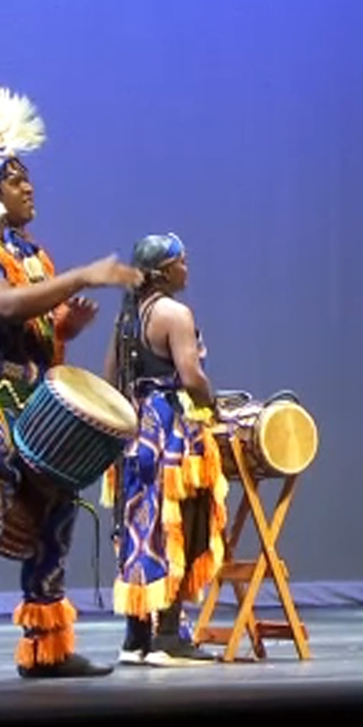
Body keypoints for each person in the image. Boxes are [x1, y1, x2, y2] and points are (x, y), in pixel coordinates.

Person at [0, 78, 143, 688]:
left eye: (27, 175)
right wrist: (83, 276)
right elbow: (4, 307)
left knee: (54, 512)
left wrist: (62, 323)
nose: (28, 185)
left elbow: (30, 321)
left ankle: (46, 647)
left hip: (28, 403)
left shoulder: (31, 254)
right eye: (14, 177)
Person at [102, 233, 226, 666]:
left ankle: (136, 637)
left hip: (132, 430)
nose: (187, 269)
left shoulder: (127, 319)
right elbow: (190, 376)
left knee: (137, 527)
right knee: (177, 523)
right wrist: (213, 406)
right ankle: (168, 635)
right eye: (182, 262)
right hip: (168, 430)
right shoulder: (174, 313)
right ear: (163, 272)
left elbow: (110, 377)